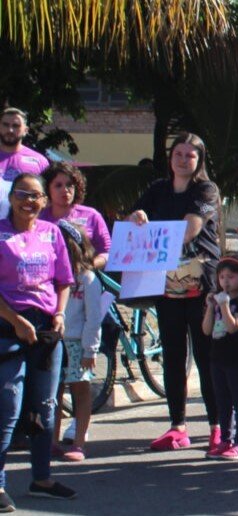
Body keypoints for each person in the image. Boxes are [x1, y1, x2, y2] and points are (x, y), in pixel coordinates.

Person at [128, 133, 222, 452]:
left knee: (207, 355)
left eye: (190, 155)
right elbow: (135, 218)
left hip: (201, 283)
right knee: (173, 356)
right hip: (164, 282)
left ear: (199, 160)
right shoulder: (157, 189)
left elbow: (189, 230)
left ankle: (217, 425)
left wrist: (153, 229)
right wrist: (139, 217)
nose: (183, 160)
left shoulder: (206, 190)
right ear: (170, 158)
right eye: (178, 154)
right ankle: (177, 425)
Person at [0, 173, 76, 507]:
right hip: (7, 326)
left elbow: (64, 281)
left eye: (36, 196)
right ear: (11, 198)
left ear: (44, 201)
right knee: (8, 407)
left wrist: (59, 315)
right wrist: (15, 321)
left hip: (46, 329)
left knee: (46, 408)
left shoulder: (52, 233)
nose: (29, 201)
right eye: (22, 194)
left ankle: (41, 478)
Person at [53, 222, 102, 463]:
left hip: (77, 343)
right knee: (53, 394)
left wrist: (90, 349)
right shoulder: (50, 275)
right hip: (54, 342)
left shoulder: (88, 279)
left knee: (80, 392)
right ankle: (51, 441)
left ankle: (79, 442)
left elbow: (94, 317)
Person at [203, 254, 238, 461]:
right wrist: (211, 306)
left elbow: (233, 327)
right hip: (217, 356)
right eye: (222, 277)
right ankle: (225, 439)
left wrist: (225, 305)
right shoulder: (217, 300)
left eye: (231, 277)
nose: (226, 282)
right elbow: (207, 330)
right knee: (222, 401)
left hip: (236, 357)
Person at [40, 162, 111, 269]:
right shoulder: (39, 218)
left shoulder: (92, 215)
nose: (65, 189)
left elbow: (108, 253)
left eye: (69, 185)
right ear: (47, 190)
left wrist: (87, 267)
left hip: (84, 277)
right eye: (58, 185)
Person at [0, 108, 50, 219]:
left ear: (26, 130)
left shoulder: (39, 162)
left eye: (16, 126)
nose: (10, 130)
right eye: (5, 125)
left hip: (25, 229)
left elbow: (48, 201)